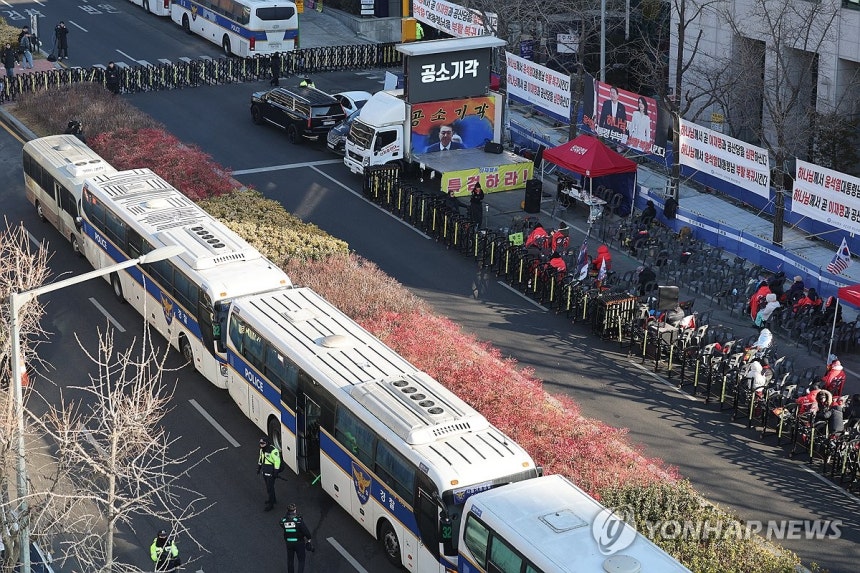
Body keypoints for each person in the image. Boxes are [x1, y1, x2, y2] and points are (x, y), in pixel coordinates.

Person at [281, 503, 313, 573]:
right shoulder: (298, 521)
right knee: (301, 560)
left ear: (287, 510)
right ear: (295, 510)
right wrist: (309, 538)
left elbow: (282, 525)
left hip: (289, 543)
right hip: (299, 543)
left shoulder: (283, 521)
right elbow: (306, 531)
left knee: (290, 560)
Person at [257, 437, 282, 511]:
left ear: (267, 443)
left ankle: (271, 505)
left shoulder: (273, 451)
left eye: (262, 443)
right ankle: (273, 499)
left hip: (271, 472)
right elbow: (261, 458)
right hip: (265, 470)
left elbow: (277, 461)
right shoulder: (262, 449)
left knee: (270, 488)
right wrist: (259, 468)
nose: (261, 445)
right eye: (260, 443)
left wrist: (275, 472)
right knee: (269, 487)